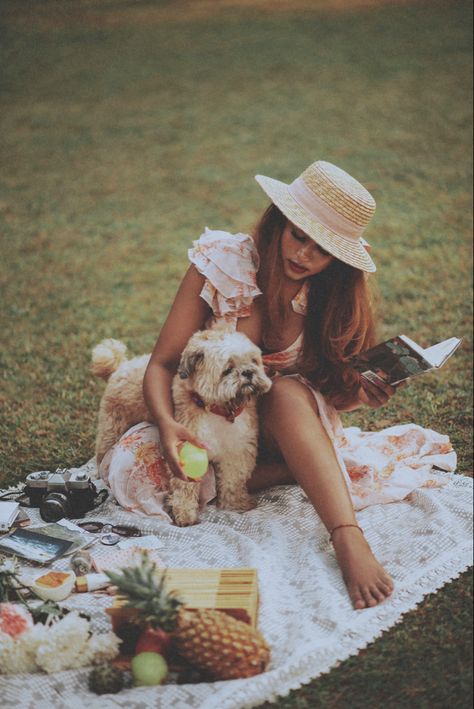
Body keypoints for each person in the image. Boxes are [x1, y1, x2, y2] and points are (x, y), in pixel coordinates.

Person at [99, 160, 455, 610]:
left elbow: (335, 392)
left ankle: (347, 537)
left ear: (337, 258)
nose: (304, 255)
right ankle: (303, 471)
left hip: (287, 426)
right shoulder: (222, 263)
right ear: (278, 222)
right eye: (298, 235)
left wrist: (362, 394)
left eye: (321, 249)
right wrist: (168, 426)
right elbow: (162, 363)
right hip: (207, 428)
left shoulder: (335, 294)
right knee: (135, 471)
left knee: (285, 392)